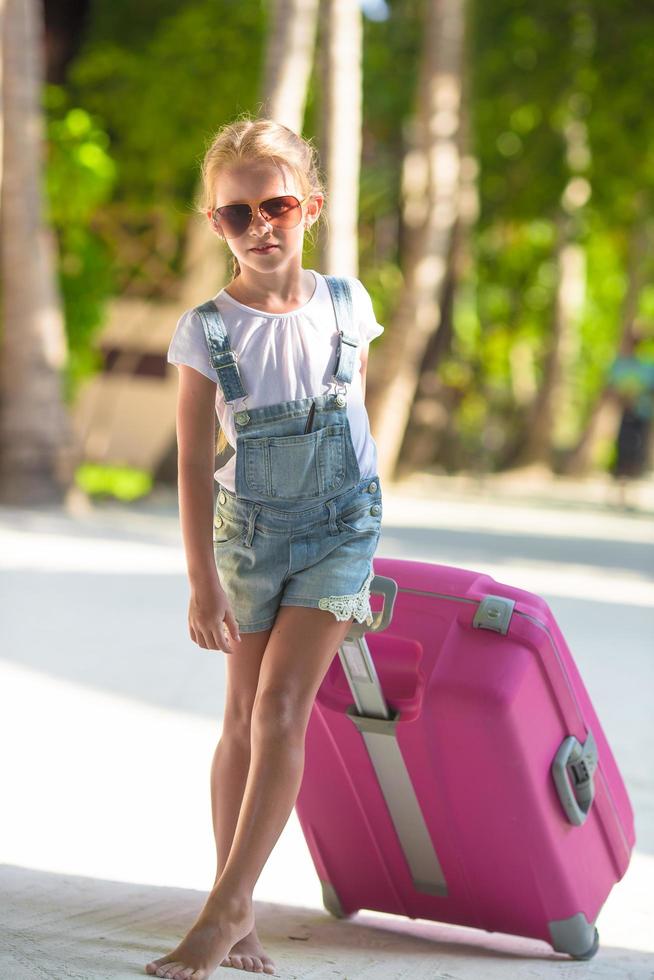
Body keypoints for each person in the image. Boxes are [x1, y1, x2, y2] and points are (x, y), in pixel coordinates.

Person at [145, 117, 385, 979]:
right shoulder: (207, 329)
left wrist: (356, 537)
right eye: (236, 215)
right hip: (246, 534)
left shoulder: (351, 305)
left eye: (275, 205)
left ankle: (219, 917)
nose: (260, 227)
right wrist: (200, 583)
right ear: (217, 225)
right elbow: (190, 464)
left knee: (283, 709)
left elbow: (352, 415)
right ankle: (235, 906)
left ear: (310, 207)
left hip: (340, 532)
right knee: (242, 717)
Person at [607, 329, 654, 510]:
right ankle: (619, 494)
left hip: (642, 415)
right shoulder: (620, 366)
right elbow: (610, 390)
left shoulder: (648, 368)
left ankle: (631, 495)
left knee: (637, 454)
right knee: (622, 452)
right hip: (624, 415)